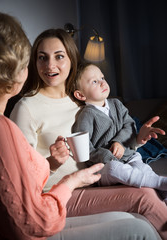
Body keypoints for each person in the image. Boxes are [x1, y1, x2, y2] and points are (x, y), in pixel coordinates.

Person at [0, 11, 146, 240]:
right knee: (142, 208)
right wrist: (53, 163)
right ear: (31, 63)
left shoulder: (80, 100)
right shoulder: (25, 108)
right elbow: (21, 178)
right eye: (42, 57)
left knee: (142, 209)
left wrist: (136, 139)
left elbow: (110, 137)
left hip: (95, 183)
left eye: (59, 56)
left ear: (71, 60)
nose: (49, 65)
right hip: (59, 194)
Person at [71, 61, 167, 201]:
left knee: (142, 168)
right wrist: (107, 155)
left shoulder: (116, 104)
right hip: (105, 166)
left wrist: (119, 142)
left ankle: (162, 193)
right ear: (80, 95)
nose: (103, 83)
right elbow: (85, 148)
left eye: (102, 78)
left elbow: (129, 125)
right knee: (114, 168)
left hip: (129, 156)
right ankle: (159, 182)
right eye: (94, 82)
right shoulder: (86, 115)